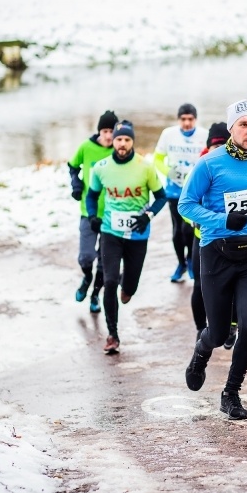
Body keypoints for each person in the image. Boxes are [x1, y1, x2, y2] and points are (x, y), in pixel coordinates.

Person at [180, 99, 247, 420]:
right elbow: (186, 205)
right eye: (244, 125)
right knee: (217, 334)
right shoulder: (209, 164)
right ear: (231, 128)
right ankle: (201, 352)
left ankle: (231, 392)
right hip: (216, 254)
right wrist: (222, 221)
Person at [86, 120, 167, 354]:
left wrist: (148, 215)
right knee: (110, 281)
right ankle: (112, 334)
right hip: (111, 232)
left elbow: (160, 197)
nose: (122, 144)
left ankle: (128, 288)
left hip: (138, 234)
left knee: (129, 286)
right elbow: (91, 197)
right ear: (113, 141)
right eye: (119, 139)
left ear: (132, 142)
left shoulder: (145, 167)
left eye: (127, 140)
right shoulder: (101, 167)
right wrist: (93, 216)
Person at [68, 110, 116, 314]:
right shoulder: (86, 148)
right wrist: (77, 185)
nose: (108, 135)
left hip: (112, 214)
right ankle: (86, 277)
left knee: (104, 261)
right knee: (86, 257)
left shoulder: (119, 150)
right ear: (99, 132)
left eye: (112, 131)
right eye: (105, 131)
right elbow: (72, 166)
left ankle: (95, 294)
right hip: (88, 212)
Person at [154, 104, 209, 283]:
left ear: (195, 119)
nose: (187, 123)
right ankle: (181, 263)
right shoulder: (168, 134)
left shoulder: (204, 135)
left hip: (195, 191)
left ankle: (192, 261)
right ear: (178, 119)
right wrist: (169, 171)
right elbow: (158, 158)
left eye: (190, 119)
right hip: (174, 189)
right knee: (177, 229)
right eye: (183, 119)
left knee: (190, 228)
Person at [187, 122, 231, 339]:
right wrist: (194, 220)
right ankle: (199, 328)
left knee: (230, 284)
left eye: (224, 144)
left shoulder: (234, 166)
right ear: (208, 147)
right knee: (200, 284)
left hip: (230, 238)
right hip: (202, 239)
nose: (220, 149)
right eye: (216, 145)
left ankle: (229, 325)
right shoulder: (200, 167)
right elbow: (186, 204)